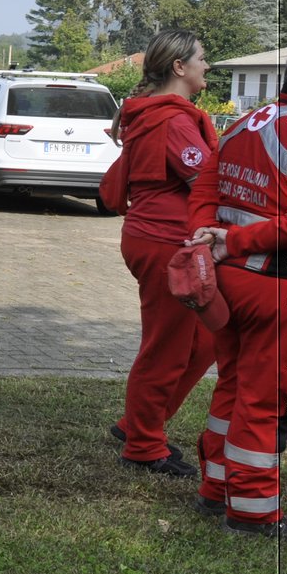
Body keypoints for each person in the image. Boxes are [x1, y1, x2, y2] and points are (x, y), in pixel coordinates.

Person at [188, 39, 287, 540]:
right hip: (282, 289)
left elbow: (204, 188)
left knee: (234, 386)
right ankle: (255, 512)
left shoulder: (245, 122)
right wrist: (236, 239)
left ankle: (215, 488)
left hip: (231, 281)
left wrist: (207, 238)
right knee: (268, 399)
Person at [109, 29, 216, 476]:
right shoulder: (172, 120)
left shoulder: (163, 114)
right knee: (166, 347)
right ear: (179, 67)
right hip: (166, 243)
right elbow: (206, 183)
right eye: (202, 58)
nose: (206, 66)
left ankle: (138, 424)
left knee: (208, 339)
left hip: (167, 238)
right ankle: (144, 445)